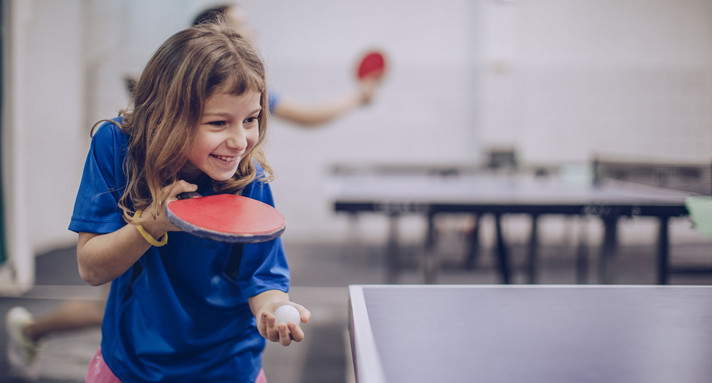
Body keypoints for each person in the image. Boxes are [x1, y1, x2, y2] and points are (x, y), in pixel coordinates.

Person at [67, 20, 308, 382]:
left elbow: (263, 280)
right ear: (169, 115)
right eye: (218, 123)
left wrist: (272, 310)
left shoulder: (247, 176)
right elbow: (91, 269)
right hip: (135, 367)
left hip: (229, 367)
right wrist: (151, 223)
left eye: (251, 119)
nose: (241, 141)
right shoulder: (117, 148)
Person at [193, 2, 381, 127]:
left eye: (249, 120)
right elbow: (309, 116)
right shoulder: (196, 86)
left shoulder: (251, 86)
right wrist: (359, 96)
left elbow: (309, 115)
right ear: (218, 33)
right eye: (242, 23)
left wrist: (359, 96)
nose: (253, 30)